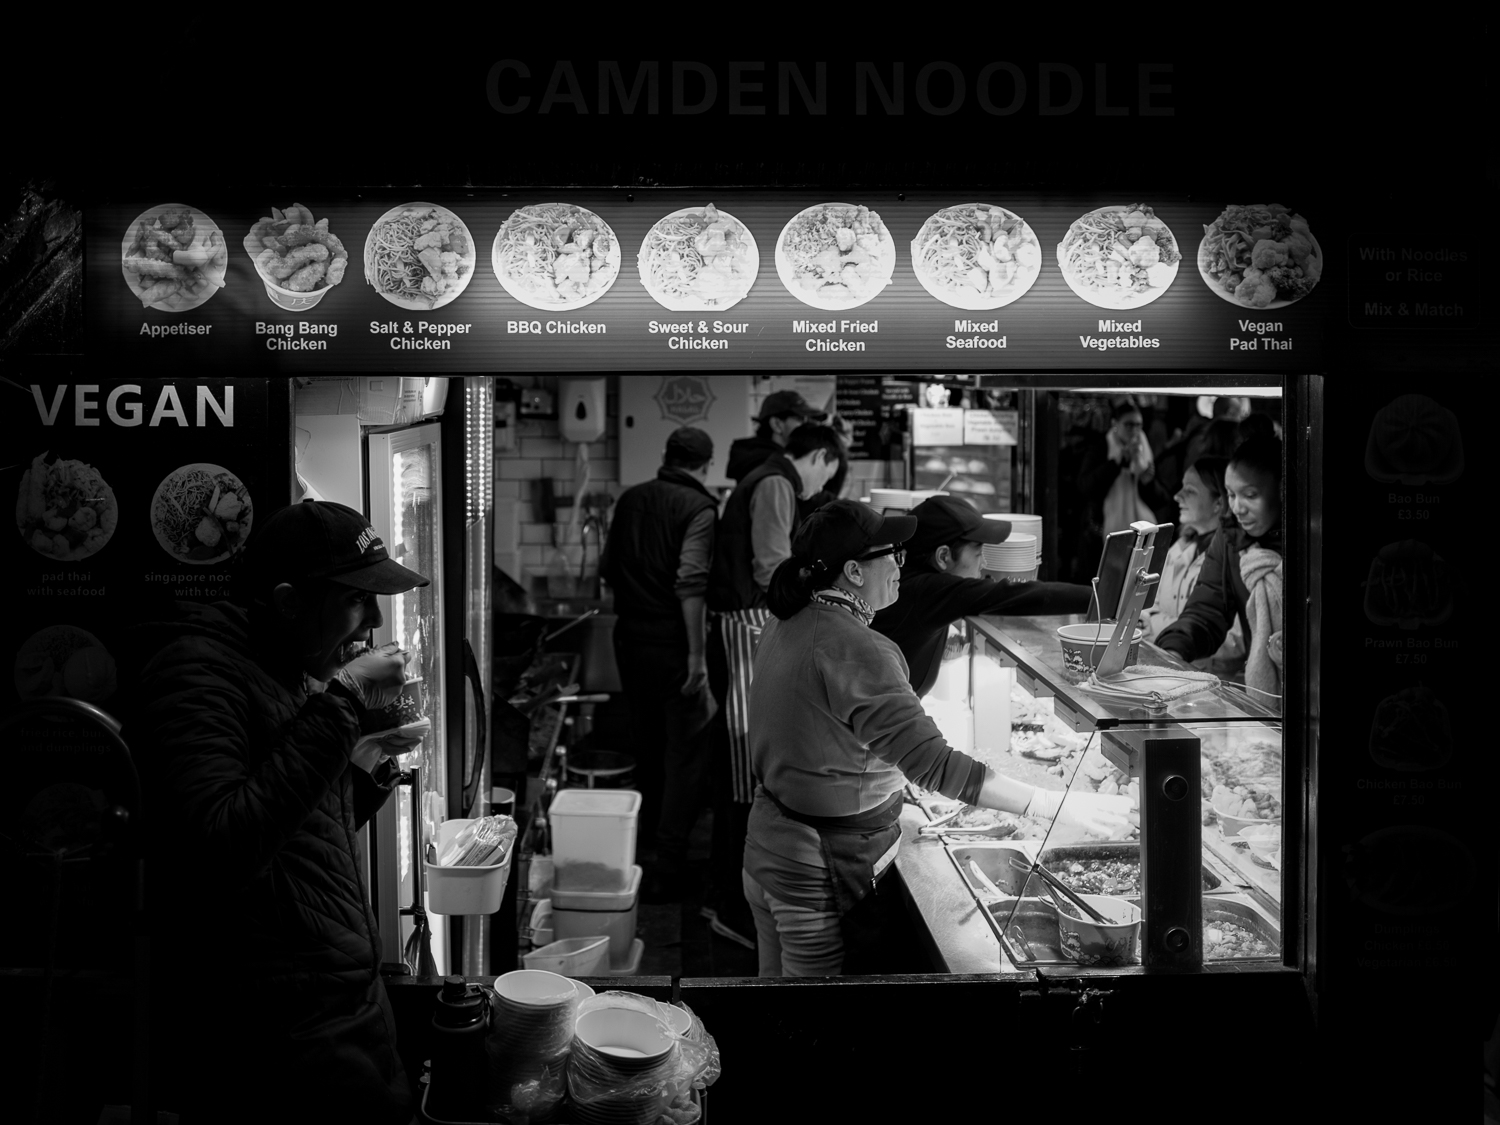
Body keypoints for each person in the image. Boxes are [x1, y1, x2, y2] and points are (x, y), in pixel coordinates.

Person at [125, 500, 429, 1124]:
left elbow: (295, 838)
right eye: (357, 600)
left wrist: (373, 763)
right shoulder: (195, 673)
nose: (374, 620)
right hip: (277, 1035)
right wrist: (344, 703)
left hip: (340, 1012)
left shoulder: (287, 667)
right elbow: (220, 848)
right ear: (289, 602)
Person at [742, 500, 1133, 977]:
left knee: (767, 1003)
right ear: (854, 572)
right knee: (810, 1017)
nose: (900, 567)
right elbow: (934, 765)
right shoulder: (858, 647)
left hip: (767, 848)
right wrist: (1052, 804)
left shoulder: (786, 620)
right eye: (893, 555)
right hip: (817, 868)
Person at [702, 422, 843, 946]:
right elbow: (770, 569)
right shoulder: (777, 483)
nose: (822, 486)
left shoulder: (765, 477)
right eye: (829, 472)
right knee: (745, 768)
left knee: (744, 764)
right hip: (742, 624)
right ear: (821, 456)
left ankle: (724, 897)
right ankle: (730, 905)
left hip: (742, 624)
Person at [599, 426, 719, 903]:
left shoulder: (631, 499)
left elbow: (608, 568)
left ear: (667, 456)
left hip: (629, 640)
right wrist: (696, 654)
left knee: (646, 743)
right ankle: (668, 865)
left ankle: (644, 846)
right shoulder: (700, 508)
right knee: (685, 753)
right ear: (706, 465)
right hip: (674, 645)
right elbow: (691, 583)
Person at [871, 495, 1092, 698]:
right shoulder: (927, 590)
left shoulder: (912, 583)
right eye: (978, 553)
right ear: (943, 556)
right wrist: (1099, 598)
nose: (984, 563)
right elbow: (1017, 596)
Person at [1157, 437, 1284, 708]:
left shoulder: (1311, 544)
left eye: (1250, 495)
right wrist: (1172, 651)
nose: (1237, 508)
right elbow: (1206, 611)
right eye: (1231, 495)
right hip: (1264, 700)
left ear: (1282, 490)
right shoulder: (1230, 538)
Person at [1139, 457, 1245, 674]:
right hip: (1168, 670)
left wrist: (1158, 627)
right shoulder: (1178, 548)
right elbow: (1147, 605)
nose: (1177, 496)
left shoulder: (1238, 556)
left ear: (1219, 503)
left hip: (1216, 681)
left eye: (1190, 491)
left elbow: (1235, 639)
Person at [1077, 401, 1164, 537]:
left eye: (1138, 425)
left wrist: (1147, 482)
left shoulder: (1145, 450)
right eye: (1129, 425)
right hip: (1101, 530)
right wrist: (1116, 464)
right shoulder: (1101, 447)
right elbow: (1086, 487)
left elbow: (1160, 500)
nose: (1134, 430)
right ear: (1115, 424)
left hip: (1140, 530)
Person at [724, 388, 827, 483]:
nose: (808, 427)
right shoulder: (771, 466)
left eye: (810, 420)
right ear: (777, 424)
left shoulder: (759, 458)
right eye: (801, 420)